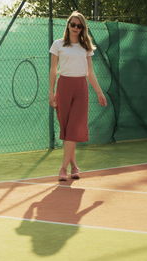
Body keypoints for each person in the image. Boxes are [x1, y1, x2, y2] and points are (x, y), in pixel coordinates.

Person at [49, 11, 107, 181]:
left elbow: (90, 72)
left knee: (73, 129)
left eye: (79, 25)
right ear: (68, 25)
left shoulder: (86, 47)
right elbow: (53, 69)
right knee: (67, 130)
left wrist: (99, 92)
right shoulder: (58, 44)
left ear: (83, 28)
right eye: (73, 24)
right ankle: (75, 166)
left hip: (81, 88)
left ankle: (62, 169)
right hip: (64, 87)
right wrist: (51, 92)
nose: (75, 28)